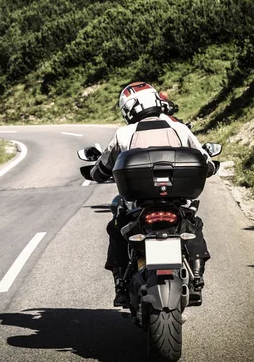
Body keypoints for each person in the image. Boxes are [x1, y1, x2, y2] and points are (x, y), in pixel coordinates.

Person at [91, 81, 215, 307]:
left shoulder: (124, 134)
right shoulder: (179, 129)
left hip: (138, 204)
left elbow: (103, 168)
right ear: (156, 100)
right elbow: (204, 161)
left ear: (129, 109)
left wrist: (95, 172)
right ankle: (197, 279)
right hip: (176, 201)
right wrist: (210, 168)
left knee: (117, 227)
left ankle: (120, 283)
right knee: (193, 224)